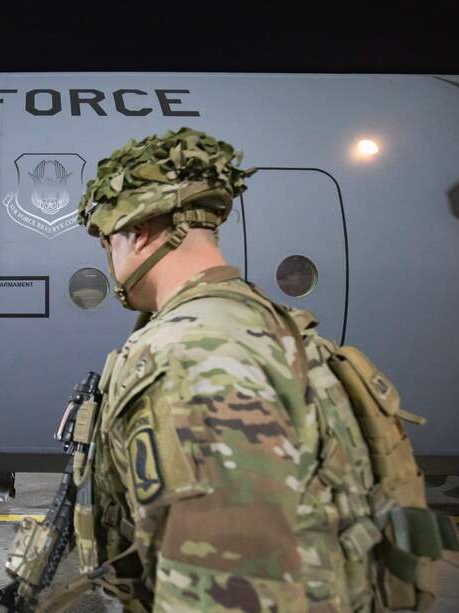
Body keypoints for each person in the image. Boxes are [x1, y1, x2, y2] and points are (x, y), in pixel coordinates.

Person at [69, 128, 382, 611]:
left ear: (138, 232)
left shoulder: (188, 358)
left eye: (108, 242)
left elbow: (231, 590)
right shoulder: (263, 321)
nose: (111, 260)